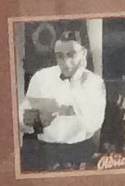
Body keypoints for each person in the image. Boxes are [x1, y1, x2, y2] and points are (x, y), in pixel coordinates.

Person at [19, 29, 104, 173]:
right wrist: (37, 119)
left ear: (83, 53)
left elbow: (93, 124)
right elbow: (23, 119)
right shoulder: (41, 77)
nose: (65, 62)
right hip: (45, 153)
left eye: (71, 55)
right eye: (60, 56)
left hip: (80, 152)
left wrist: (76, 81)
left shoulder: (94, 82)